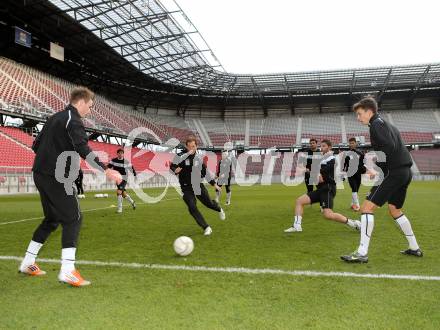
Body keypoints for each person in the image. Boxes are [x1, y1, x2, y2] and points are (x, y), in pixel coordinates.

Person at [19, 87, 122, 286]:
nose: (90, 111)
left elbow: (35, 145)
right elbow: (83, 147)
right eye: (90, 107)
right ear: (81, 101)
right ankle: (67, 270)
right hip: (55, 176)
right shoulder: (73, 120)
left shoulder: (55, 117)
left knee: (52, 219)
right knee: (74, 217)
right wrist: (106, 170)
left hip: (40, 173)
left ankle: (27, 262)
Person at [341, 96, 422, 263]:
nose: (358, 117)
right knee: (395, 210)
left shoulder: (376, 125)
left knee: (366, 208)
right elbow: (392, 146)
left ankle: (362, 253)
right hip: (405, 172)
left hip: (393, 173)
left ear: (369, 111)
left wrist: (376, 168)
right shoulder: (385, 124)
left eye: (360, 113)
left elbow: (388, 147)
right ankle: (415, 248)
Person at [284, 139, 360, 233]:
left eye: (324, 146)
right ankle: (297, 226)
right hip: (321, 189)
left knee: (328, 215)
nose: (322, 147)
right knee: (299, 201)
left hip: (328, 188)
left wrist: (308, 170)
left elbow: (322, 173)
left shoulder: (332, 159)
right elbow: (316, 172)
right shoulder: (321, 158)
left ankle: (354, 223)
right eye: (321, 146)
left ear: (329, 147)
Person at [170, 136, 225, 236]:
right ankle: (206, 227)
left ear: (196, 146)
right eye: (190, 146)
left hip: (197, 185)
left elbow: (205, 173)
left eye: (194, 146)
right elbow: (172, 166)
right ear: (186, 146)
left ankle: (219, 209)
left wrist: (214, 185)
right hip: (186, 187)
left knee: (208, 204)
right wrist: (175, 169)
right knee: (192, 206)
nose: (192, 149)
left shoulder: (199, 159)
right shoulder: (180, 155)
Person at [107, 149, 137, 213]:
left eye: (121, 153)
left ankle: (120, 209)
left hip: (124, 178)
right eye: (119, 153)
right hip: (117, 179)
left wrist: (135, 175)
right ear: (117, 154)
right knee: (123, 194)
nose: (120, 154)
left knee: (119, 192)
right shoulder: (113, 161)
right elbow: (108, 167)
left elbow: (132, 168)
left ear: (123, 154)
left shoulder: (126, 161)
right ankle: (132, 202)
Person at [343, 138, 366, 211]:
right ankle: (357, 206)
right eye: (350, 143)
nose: (351, 144)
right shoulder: (346, 154)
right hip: (350, 174)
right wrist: (343, 174)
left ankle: (352, 204)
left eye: (353, 143)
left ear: (356, 143)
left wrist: (364, 170)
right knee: (354, 189)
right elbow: (344, 164)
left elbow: (363, 164)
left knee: (356, 190)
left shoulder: (361, 153)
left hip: (358, 174)